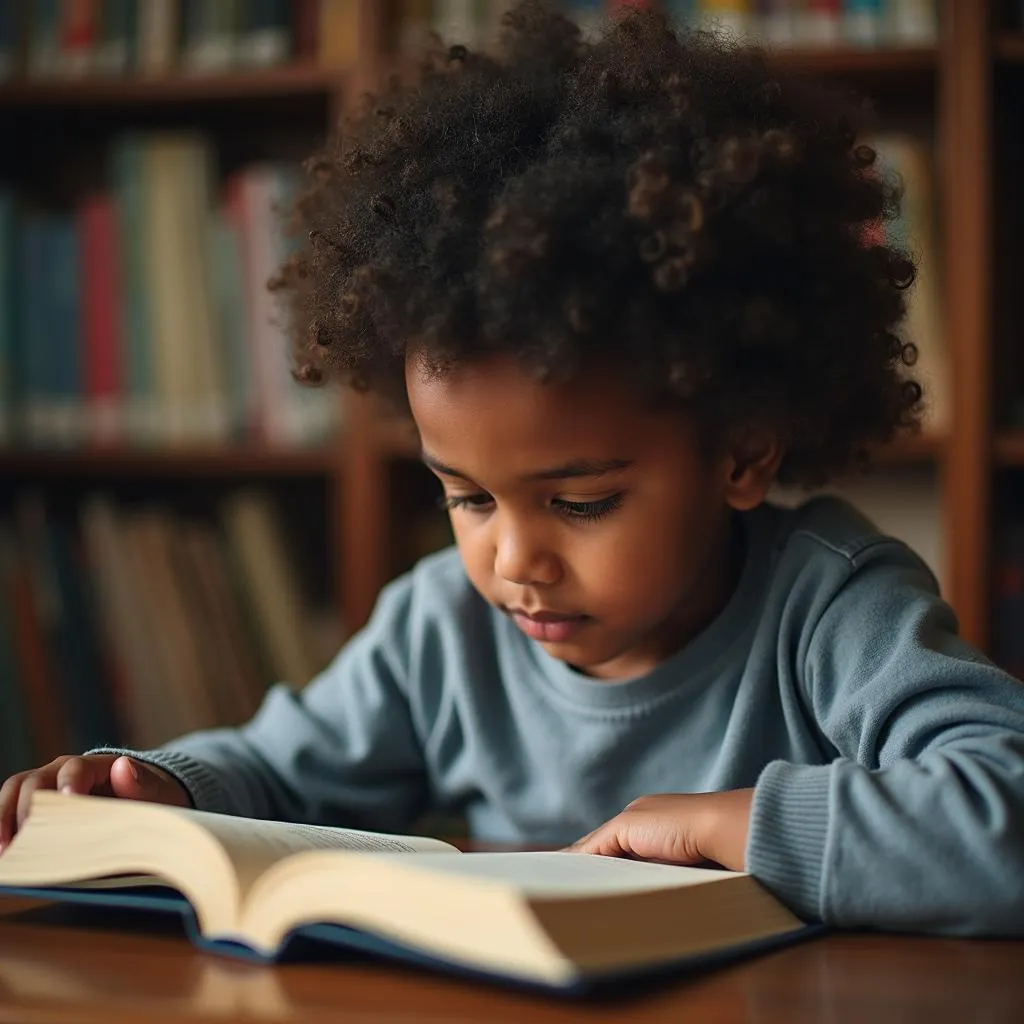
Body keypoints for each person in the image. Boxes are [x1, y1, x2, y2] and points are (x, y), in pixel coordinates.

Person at [2, 1, 1023, 935]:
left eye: (579, 500)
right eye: (466, 496)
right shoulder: (440, 628)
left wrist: (738, 823)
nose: (512, 557)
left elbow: (1002, 812)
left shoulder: (827, 603)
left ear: (742, 451)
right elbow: (277, 770)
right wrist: (153, 785)